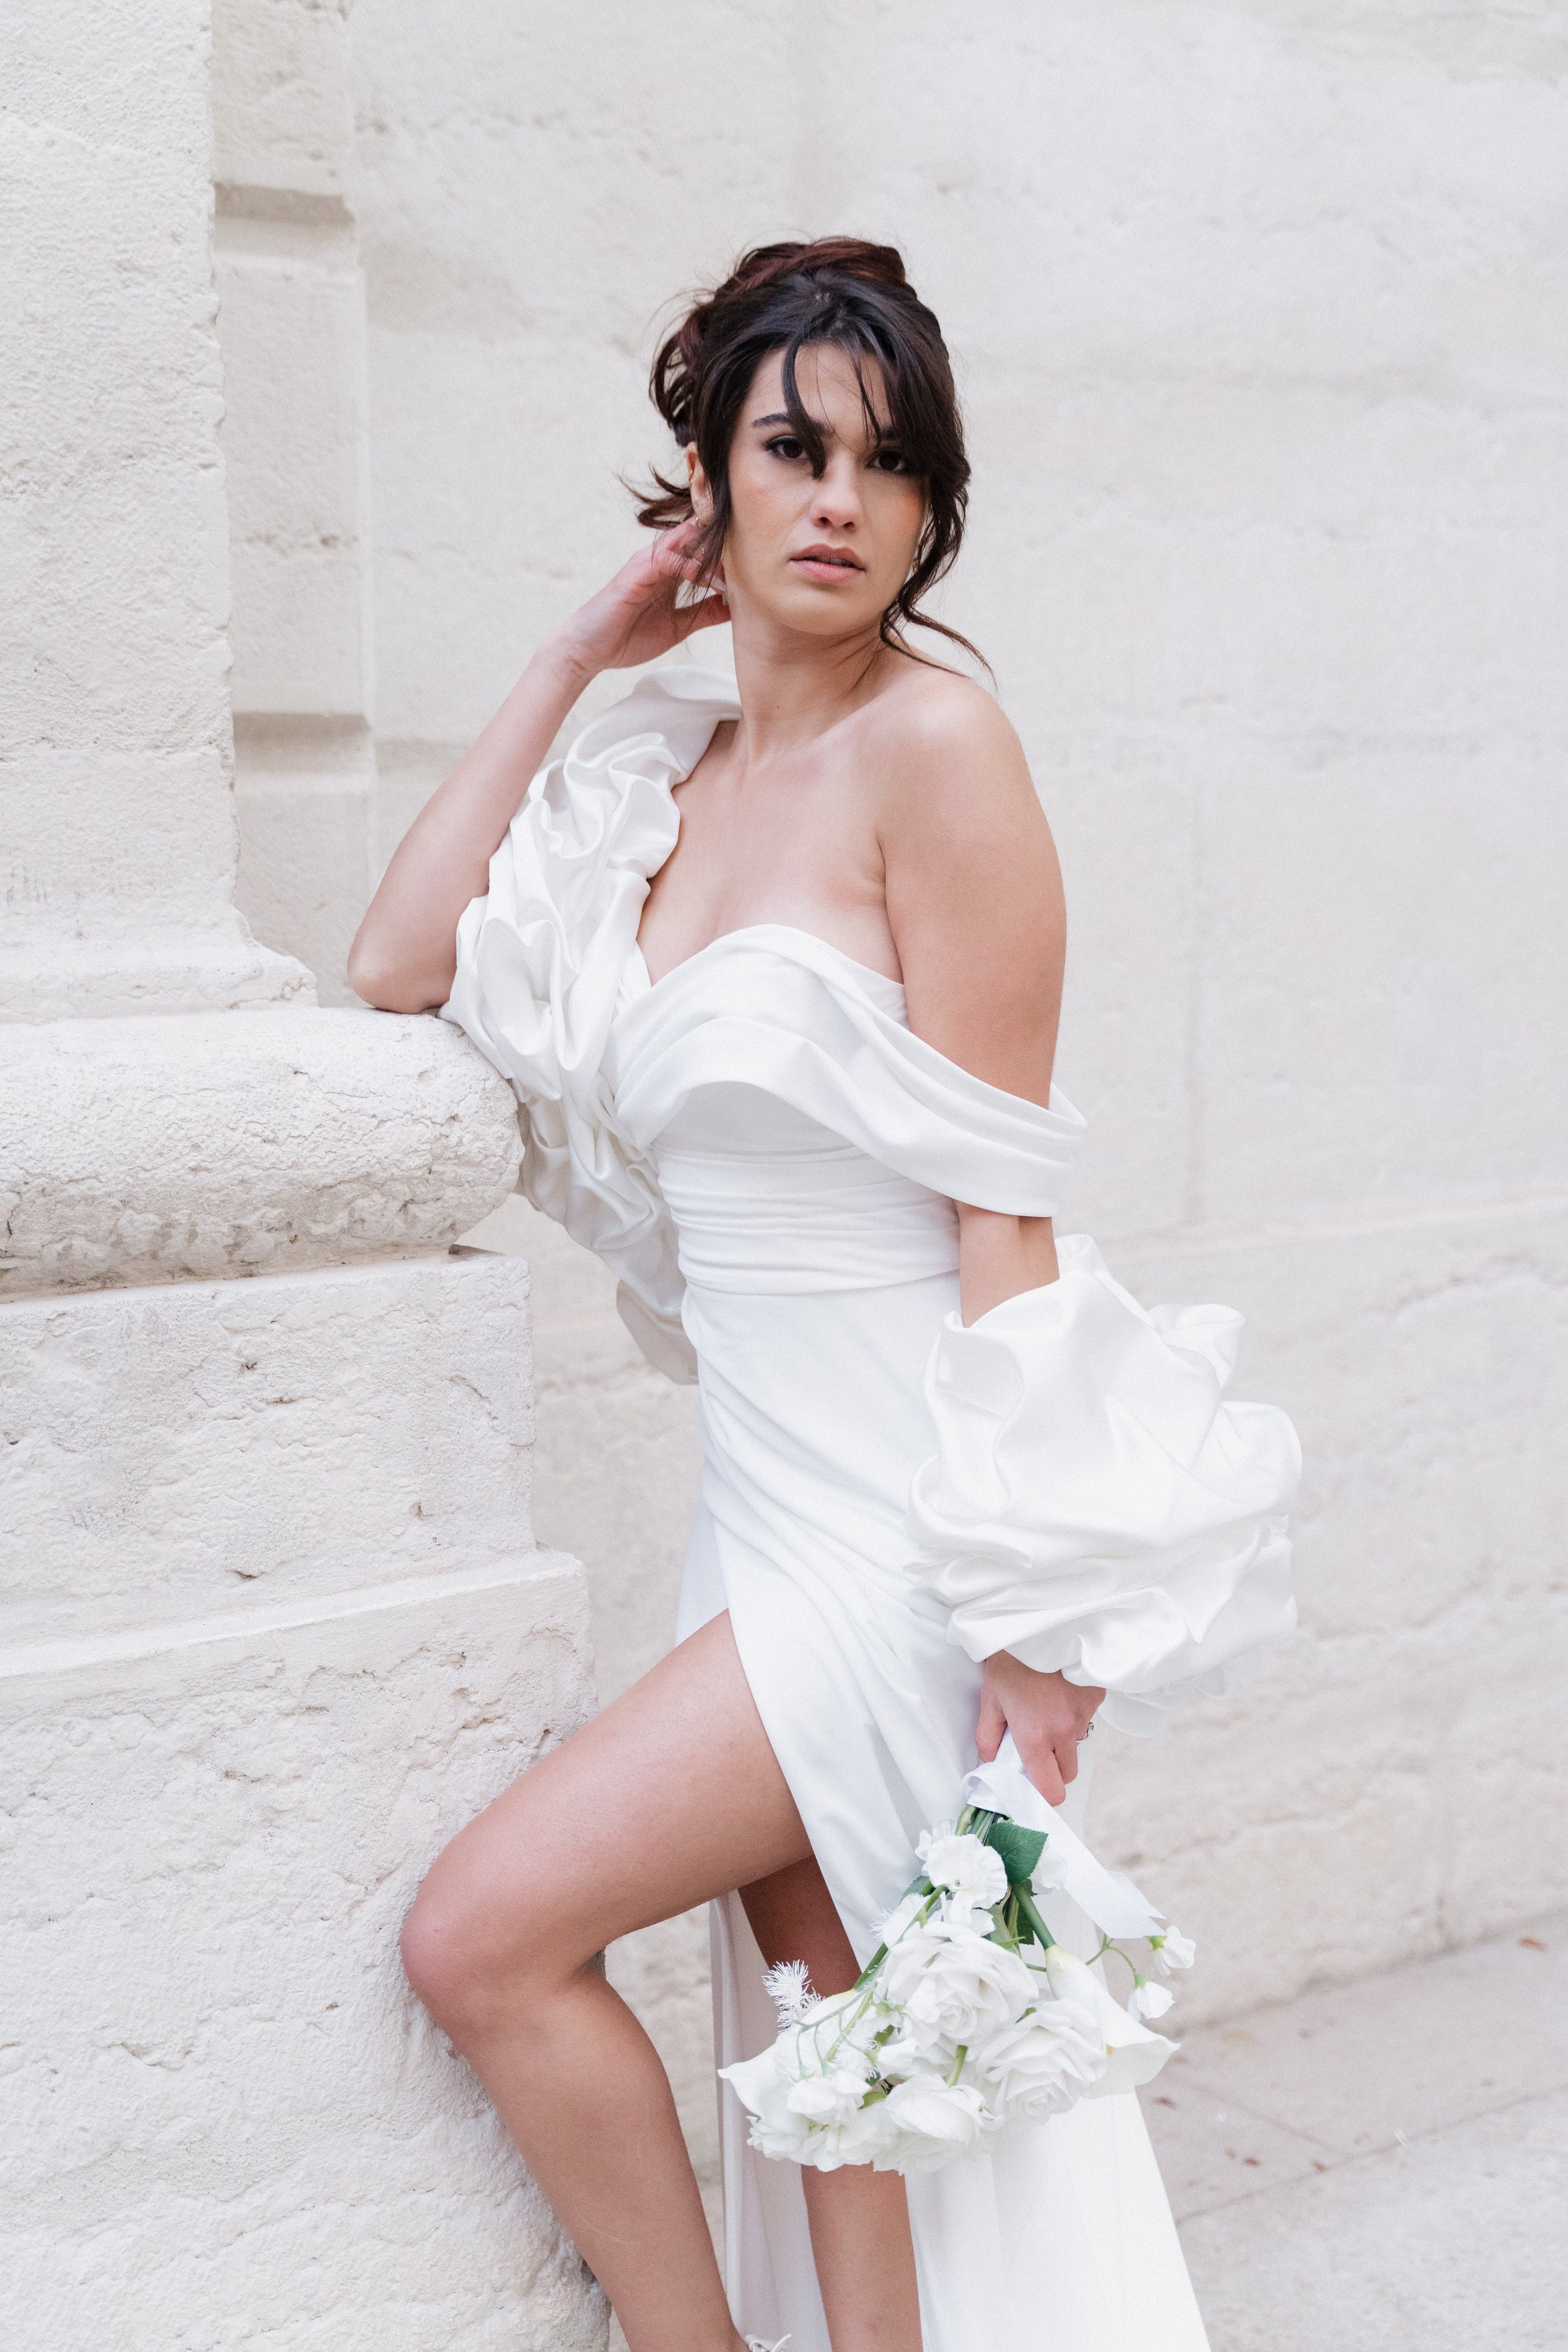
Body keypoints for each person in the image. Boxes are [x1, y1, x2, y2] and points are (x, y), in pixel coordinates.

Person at [349, 238, 1300, 2352]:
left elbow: (1003, 1214)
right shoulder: (658, 784)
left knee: (485, 1937)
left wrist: (1043, 1635)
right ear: (706, 474)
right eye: (791, 449)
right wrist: (576, 656)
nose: (840, 503)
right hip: (751, 1506)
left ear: (930, 510)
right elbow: (400, 965)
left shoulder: (937, 752)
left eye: (890, 467)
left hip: (893, 1533)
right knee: (834, 2054)